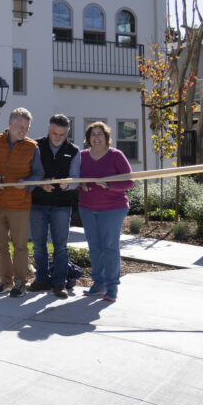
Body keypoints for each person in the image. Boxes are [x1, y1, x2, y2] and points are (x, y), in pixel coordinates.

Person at [0, 107, 45, 297]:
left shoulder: (32, 146)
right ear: (10, 124)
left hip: (19, 204)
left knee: (20, 245)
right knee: (0, 245)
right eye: (20, 126)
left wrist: (26, 184)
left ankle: (20, 283)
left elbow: (39, 173)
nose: (24, 130)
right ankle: (5, 281)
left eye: (26, 127)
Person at [78, 121, 134, 302]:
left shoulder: (116, 155)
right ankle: (98, 283)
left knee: (109, 247)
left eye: (99, 134)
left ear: (106, 137)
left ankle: (112, 287)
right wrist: (81, 184)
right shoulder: (81, 156)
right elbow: (75, 178)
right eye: (93, 134)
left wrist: (109, 185)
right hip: (87, 208)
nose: (96, 138)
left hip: (113, 208)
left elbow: (129, 181)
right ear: (88, 139)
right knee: (94, 247)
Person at [30, 114, 80, 299]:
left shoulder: (74, 151)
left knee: (61, 246)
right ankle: (42, 279)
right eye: (54, 133)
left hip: (61, 205)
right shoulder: (35, 146)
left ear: (68, 133)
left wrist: (69, 184)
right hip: (37, 203)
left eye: (62, 134)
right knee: (38, 245)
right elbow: (30, 174)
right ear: (48, 129)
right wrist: (41, 182)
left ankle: (60, 282)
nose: (57, 137)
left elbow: (76, 179)